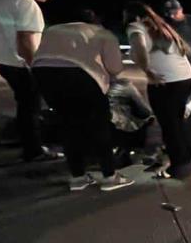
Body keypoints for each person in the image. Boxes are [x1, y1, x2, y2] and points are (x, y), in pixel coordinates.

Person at [31, 21, 134, 191]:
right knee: (99, 125)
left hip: (43, 74)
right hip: (79, 75)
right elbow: (115, 68)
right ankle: (109, 176)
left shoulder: (53, 29)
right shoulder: (104, 33)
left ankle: (77, 177)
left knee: (68, 124)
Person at [0, 0, 62, 161]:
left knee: (25, 102)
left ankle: (25, 140)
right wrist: (37, 67)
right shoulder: (27, 3)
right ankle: (33, 150)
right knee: (31, 105)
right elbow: (26, 41)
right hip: (18, 62)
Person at [124, 2, 191, 179]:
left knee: (169, 125)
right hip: (184, 79)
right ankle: (186, 161)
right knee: (178, 123)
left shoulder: (135, 26)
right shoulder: (163, 27)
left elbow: (140, 48)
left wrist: (147, 71)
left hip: (166, 82)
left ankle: (180, 166)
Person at [108, 77, 155, 168]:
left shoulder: (89, 82)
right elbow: (144, 111)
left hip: (93, 126)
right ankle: (132, 151)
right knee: (148, 118)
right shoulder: (123, 85)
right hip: (118, 127)